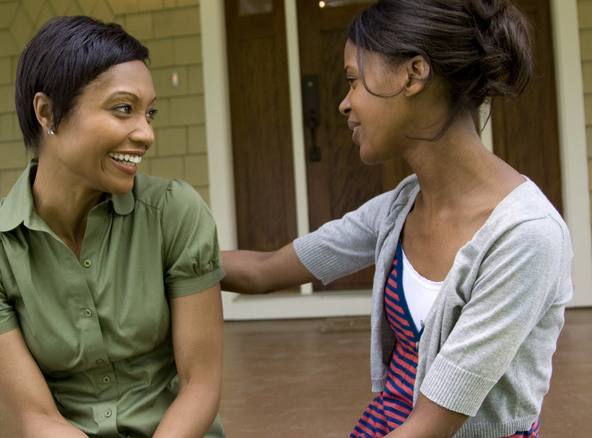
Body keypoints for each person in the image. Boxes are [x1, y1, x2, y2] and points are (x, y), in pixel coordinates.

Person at [221, 0, 573, 437]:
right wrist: (148, 257)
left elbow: (433, 424)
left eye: (353, 81)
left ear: (414, 74)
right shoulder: (401, 207)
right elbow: (261, 271)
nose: (343, 105)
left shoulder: (526, 236)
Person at [0, 16, 225, 438]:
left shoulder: (174, 212)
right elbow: (37, 417)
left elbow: (200, 385)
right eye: (123, 108)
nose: (146, 133)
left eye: (150, 113)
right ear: (47, 112)